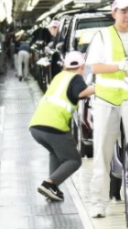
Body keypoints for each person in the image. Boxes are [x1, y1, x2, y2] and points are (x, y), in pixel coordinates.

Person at [85, 0, 128, 218]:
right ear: (114, 13)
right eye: (123, 11)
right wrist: (119, 66)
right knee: (102, 153)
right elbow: (94, 67)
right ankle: (98, 203)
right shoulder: (103, 36)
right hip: (106, 101)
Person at [28, 51, 94, 202]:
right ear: (82, 67)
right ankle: (48, 184)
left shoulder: (59, 77)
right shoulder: (76, 78)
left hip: (36, 126)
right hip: (54, 127)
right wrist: (99, 88)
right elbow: (80, 93)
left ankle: (53, 189)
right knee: (74, 160)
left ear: (64, 66)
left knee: (55, 153)